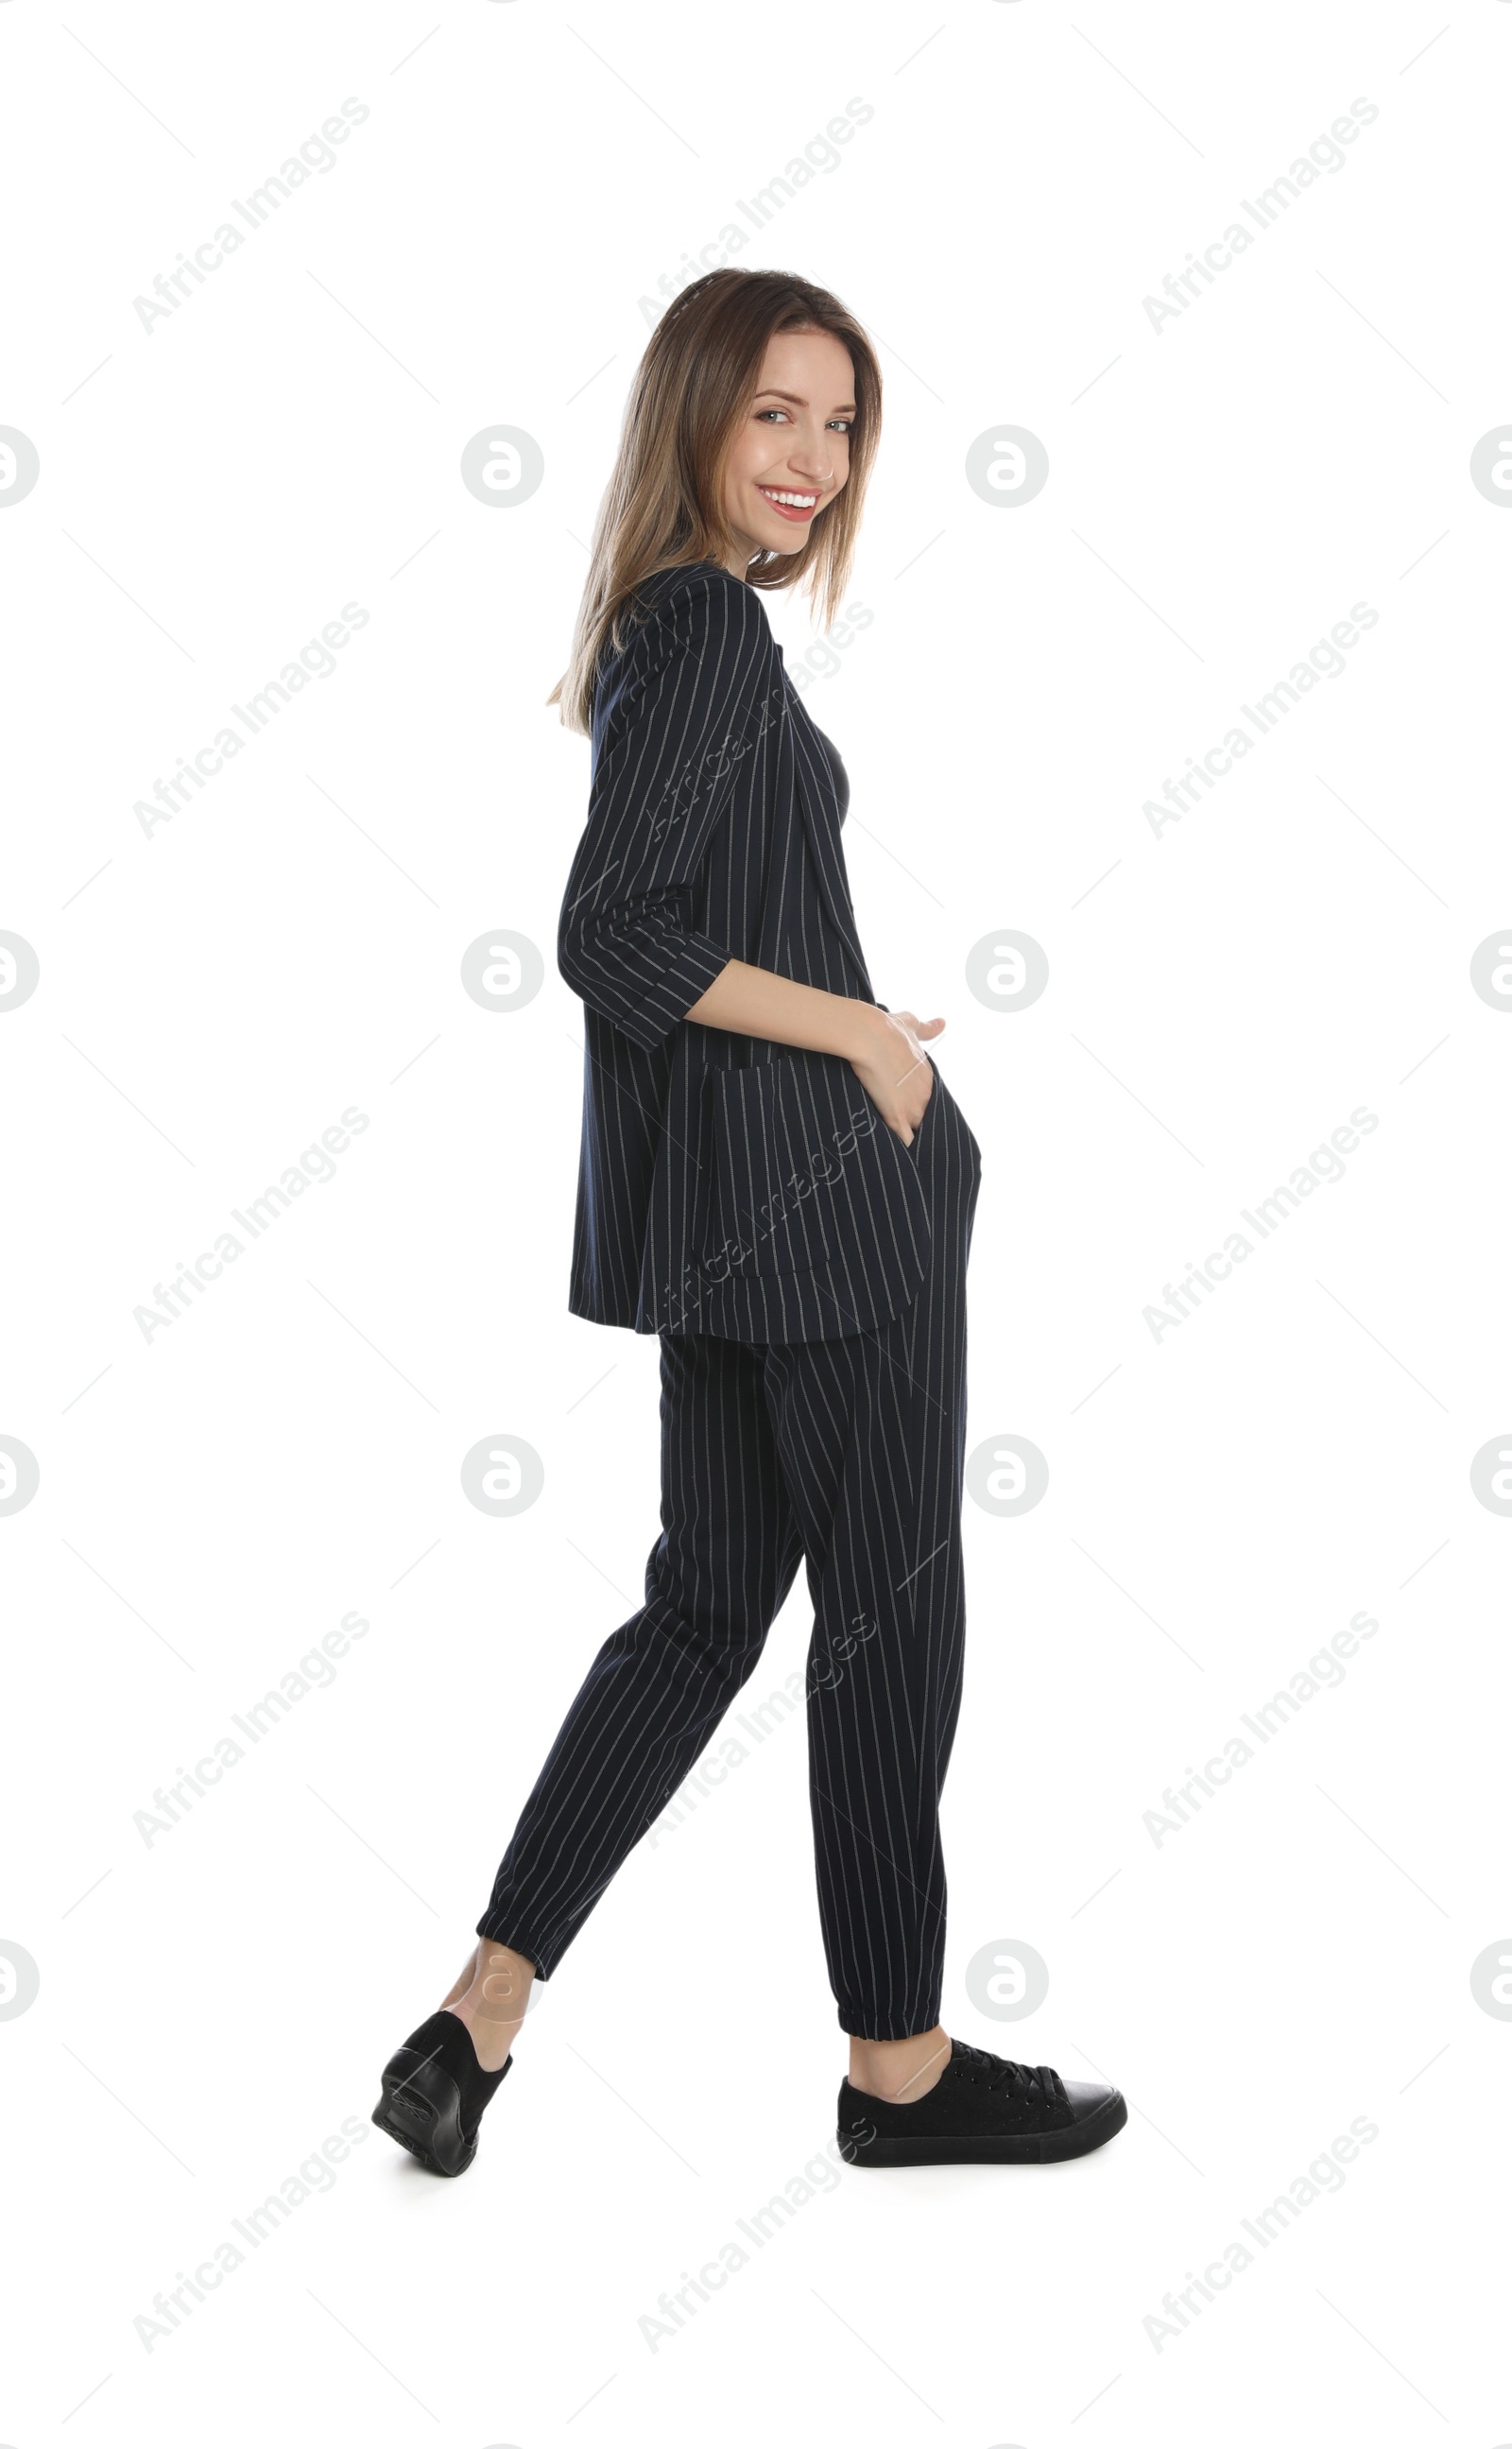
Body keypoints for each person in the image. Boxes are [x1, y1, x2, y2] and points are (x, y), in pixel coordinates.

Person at [372, 267, 1126, 2179]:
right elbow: (611, 935)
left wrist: (850, 1026)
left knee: (703, 1609)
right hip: (824, 1231)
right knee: (884, 1621)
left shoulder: (655, 631)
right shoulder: (704, 626)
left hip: (724, 1232)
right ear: (696, 414)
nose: (812, 457)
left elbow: (679, 928)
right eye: (776, 411)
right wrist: (863, 1035)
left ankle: (481, 2008)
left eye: (842, 421)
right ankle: (898, 2072)